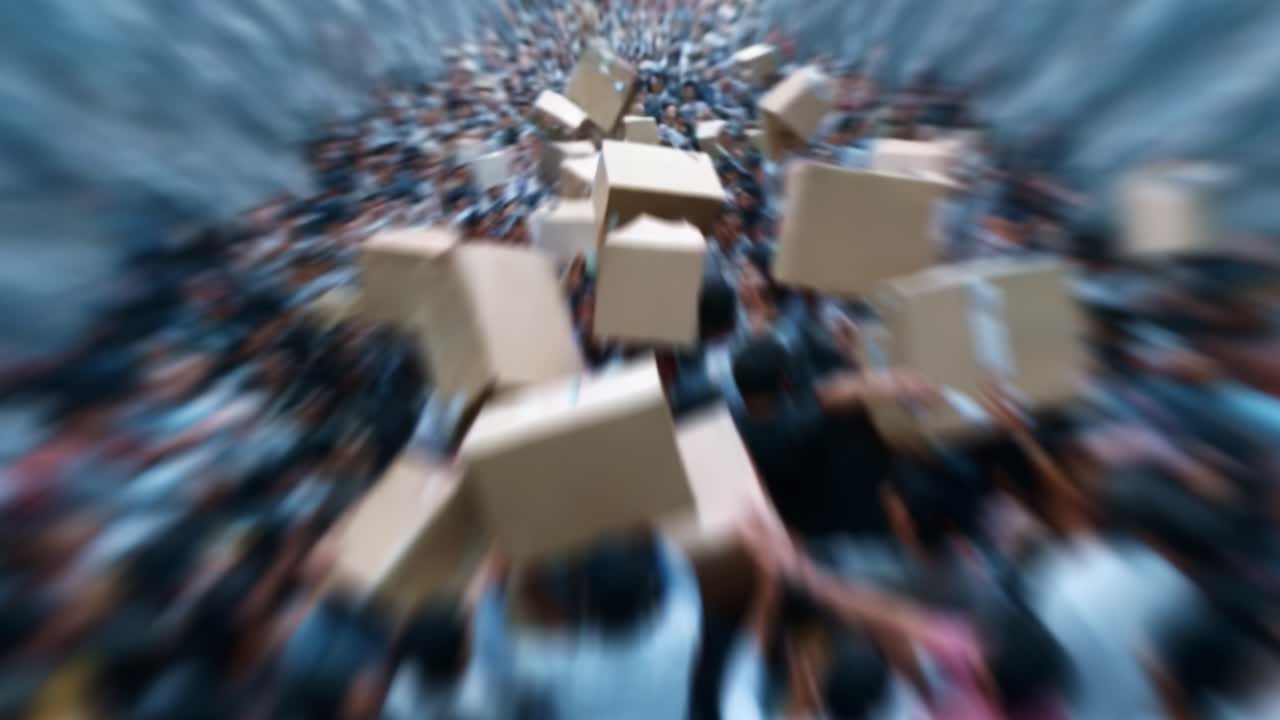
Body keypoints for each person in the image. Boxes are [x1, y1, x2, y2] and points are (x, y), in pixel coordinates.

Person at [508, 532, 702, 720]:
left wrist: (498, 581)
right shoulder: (679, 634)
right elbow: (678, 572)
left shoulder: (552, 664)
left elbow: (496, 662)